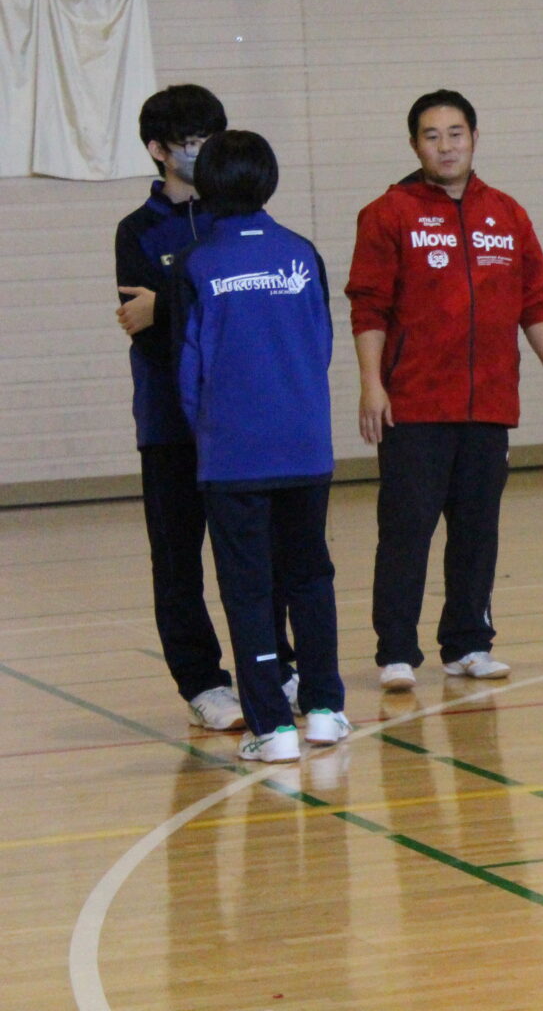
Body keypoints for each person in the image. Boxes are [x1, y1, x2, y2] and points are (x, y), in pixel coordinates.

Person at [345, 90, 543, 692]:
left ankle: (468, 642)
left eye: (455, 133)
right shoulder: (388, 213)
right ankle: (396, 650)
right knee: (407, 531)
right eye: (431, 135)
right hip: (415, 406)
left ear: (475, 137)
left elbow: (536, 301)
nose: (445, 146)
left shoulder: (507, 213)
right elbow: (367, 307)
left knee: (477, 530)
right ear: (414, 144)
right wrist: (372, 385)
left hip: (489, 405)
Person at [115, 85, 295, 730]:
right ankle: (202, 682)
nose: (202, 152)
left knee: (257, 551)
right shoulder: (137, 230)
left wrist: (168, 302)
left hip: (239, 421)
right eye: (190, 143)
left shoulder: (238, 219)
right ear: (159, 150)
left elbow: (201, 307)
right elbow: (145, 325)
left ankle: (276, 665)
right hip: (170, 421)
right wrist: (180, 305)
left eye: (210, 139)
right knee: (178, 556)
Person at [172, 131, 348, 763]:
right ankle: (325, 710)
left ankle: (272, 729)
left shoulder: (197, 264)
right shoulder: (302, 254)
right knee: (310, 577)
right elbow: (322, 345)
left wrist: (213, 434)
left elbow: (188, 372)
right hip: (304, 447)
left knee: (248, 591)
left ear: (208, 184)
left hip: (233, 456)